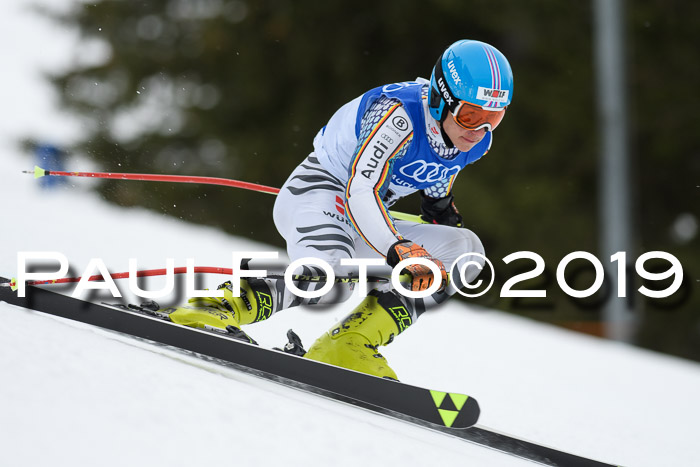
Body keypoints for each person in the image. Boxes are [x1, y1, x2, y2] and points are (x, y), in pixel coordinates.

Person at [157, 39, 514, 380]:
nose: (481, 128)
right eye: (470, 114)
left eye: (494, 117)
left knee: (465, 252)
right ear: (440, 101)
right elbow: (361, 189)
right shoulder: (398, 115)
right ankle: (211, 308)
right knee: (332, 278)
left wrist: (440, 206)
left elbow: (440, 169)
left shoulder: (476, 141)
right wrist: (398, 248)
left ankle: (347, 345)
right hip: (322, 192)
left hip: (371, 219)